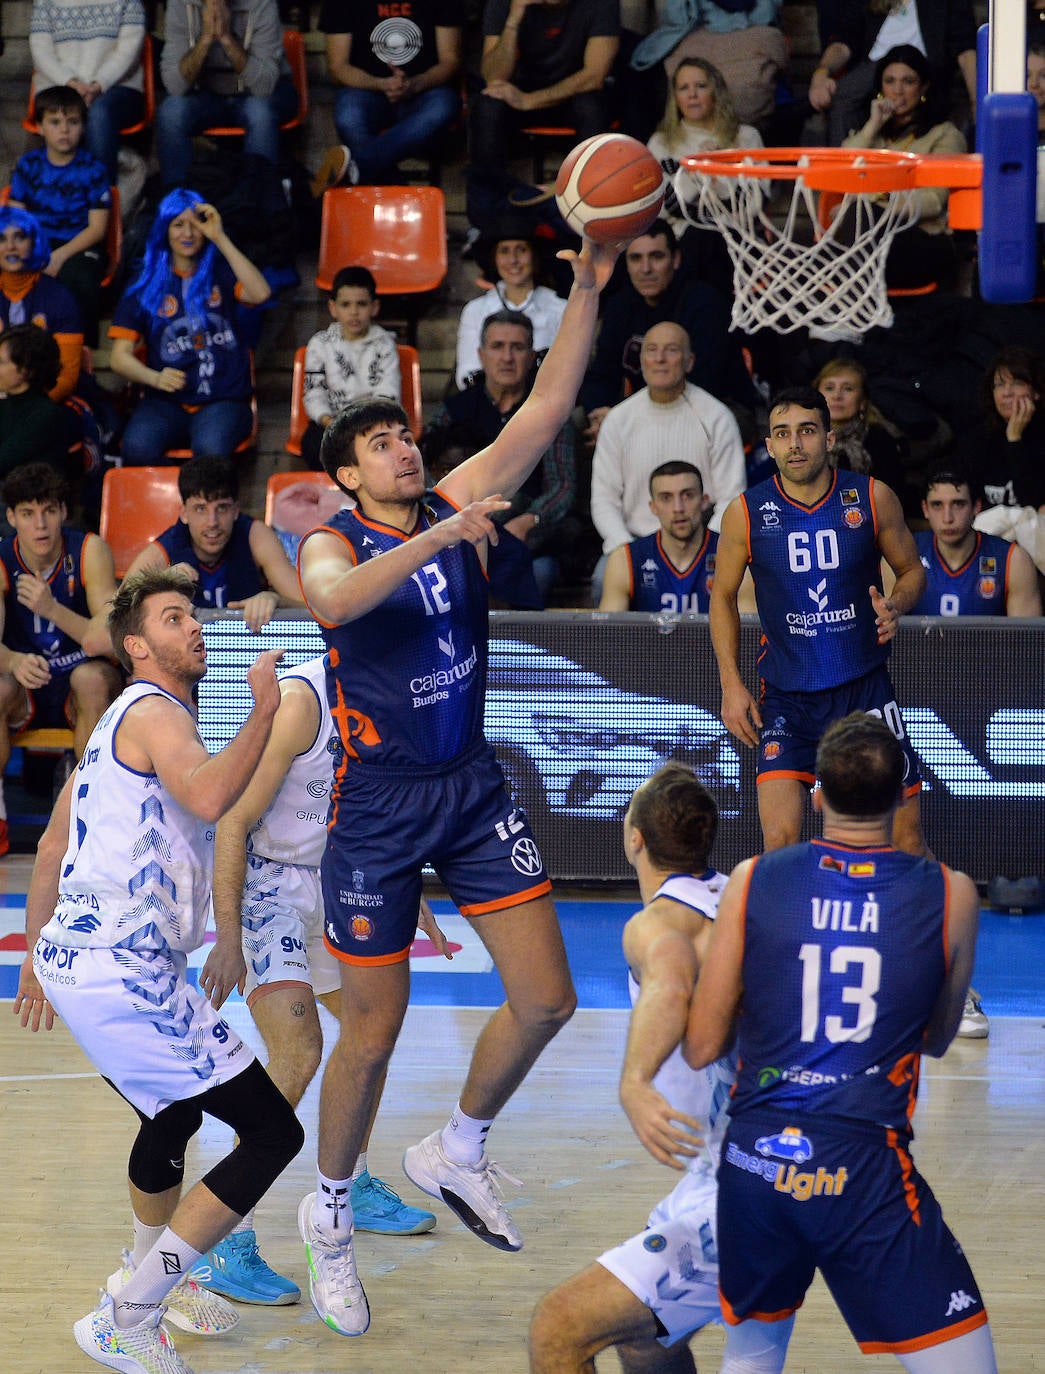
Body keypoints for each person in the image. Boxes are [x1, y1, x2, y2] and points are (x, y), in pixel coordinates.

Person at [295, 235, 620, 1337]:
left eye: (401, 434)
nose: (402, 447)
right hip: (378, 810)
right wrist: (439, 536)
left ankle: (457, 1148)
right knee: (373, 1036)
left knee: (548, 1000)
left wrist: (590, 284)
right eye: (380, 442)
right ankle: (329, 1213)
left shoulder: (450, 494)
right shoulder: (328, 539)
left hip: (471, 789)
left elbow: (547, 409)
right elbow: (336, 607)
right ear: (347, 473)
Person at [14, 566, 304, 1374]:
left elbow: (48, 850)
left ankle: (149, 1281)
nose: (195, 627)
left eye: (194, 615)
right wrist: (265, 707)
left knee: (171, 1118)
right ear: (137, 645)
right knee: (272, 1131)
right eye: (175, 618)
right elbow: (211, 798)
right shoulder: (151, 710)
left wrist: (39, 958)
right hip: (122, 970)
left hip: (91, 963)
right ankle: (128, 1312)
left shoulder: (111, 725)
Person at [682, 712, 998, 1374]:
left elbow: (702, 1041)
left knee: (751, 1355)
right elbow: (937, 1039)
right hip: (860, 1166)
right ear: (903, 794)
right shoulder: (951, 894)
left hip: (754, 1162)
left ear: (815, 794)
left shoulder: (751, 879)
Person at [190, 655, 447, 1306]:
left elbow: (381, 812)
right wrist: (226, 935)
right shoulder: (304, 702)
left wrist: (408, 890)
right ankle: (226, 1233)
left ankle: (351, 1180)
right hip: (266, 883)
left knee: (373, 1026)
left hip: (339, 882)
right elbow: (231, 819)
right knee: (299, 1053)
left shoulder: (400, 696)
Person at [530, 763, 772, 1374]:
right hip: (742, 1162)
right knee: (647, 1338)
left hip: (749, 1182)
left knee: (559, 1329)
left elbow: (667, 973)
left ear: (633, 837)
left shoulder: (660, 924)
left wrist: (634, 1083)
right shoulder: (745, 900)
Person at [709, 385, 928, 855]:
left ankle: (933, 925)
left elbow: (912, 571)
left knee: (905, 838)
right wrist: (731, 684)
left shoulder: (872, 497)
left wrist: (897, 604)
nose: (795, 444)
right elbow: (722, 597)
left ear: (828, 438)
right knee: (781, 840)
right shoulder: (744, 513)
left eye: (806, 431)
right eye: (782, 434)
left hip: (864, 688)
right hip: (786, 699)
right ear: (768, 446)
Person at [0, 463, 121, 857]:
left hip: (78, 684)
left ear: (63, 512)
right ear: (11, 517)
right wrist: (13, 659)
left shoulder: (88, 550)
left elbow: (104, 639)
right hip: (27, 688)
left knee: (92, 678)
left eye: (49, 511)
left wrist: (51, 608)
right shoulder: (2, 559)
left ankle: (92, 813)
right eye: (29, 513)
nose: (41, 524)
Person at [425, 310, 578, 606]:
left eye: (517, 348)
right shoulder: (454, 409)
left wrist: (528, 520)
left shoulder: (550, 416)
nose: (507, 357)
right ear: (482, 355)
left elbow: (562, 488)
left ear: (532, 355)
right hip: (457, 530)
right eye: (497, 347)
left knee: (541, 570)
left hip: (525, 535)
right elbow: (430, 477)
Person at [109, 189, 269, 464]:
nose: (188, 233)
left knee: (209, 451)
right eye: (178, 224)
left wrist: (220, 238)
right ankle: (168, 505)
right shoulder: (144, 284)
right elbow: (118, 357)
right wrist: (155, 378)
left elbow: (261, 293)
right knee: (136, 447)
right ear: (164, 229)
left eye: (196, 224)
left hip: (223, 398)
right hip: (166, 401)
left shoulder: (222, 270)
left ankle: (203, 503)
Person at [590, 321, 746, 596]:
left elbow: (732, 499)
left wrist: (705, 546)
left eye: (671, 350)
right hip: (636, 542)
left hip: (701, 542)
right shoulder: (618, 420)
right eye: (651, 350)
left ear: (689, 362)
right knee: (606, 577)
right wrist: (625, 551)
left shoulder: (717, 417)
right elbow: (603, 499)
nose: (660, 359)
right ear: (641, 360)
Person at [578, 220, 751, 443]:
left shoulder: (705, 304)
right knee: (572, 422)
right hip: (645, 408)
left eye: (656, 257)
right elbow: (602, 373)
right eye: (636, 258)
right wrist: (601, 414)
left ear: (675, 259)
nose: (646, 268)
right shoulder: (620, 307)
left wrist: (626, 421)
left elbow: (704, 386)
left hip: (719, 409)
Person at [100, 456, 303, 640]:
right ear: (184, 513)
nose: (212, 522)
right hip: (186, 660)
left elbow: (313, 607)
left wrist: (275, 599)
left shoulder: (255, 536)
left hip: (245, 650)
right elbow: (115, 620)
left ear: (235, 510)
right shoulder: (166, 547)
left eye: (221, 508)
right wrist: (159, 587)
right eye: (200, 509)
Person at [466, 0, 620, 236]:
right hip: (518, 92)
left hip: (572, 93)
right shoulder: (504, 3)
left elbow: (595, 75)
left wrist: (530, 100)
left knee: (592, 106)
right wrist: (513, 20)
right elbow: (494, 76)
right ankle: (486, 222)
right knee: (487, 106)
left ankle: (586, 215)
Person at [840, 46, 966, 290]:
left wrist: (876, 204)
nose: (898, 90)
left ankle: (849, 308)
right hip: (868, 237)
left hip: (923, 238)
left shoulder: (944, 135)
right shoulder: (872, 135)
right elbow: (842, 170)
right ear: (880, 88)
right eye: (890, 81)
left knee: (860, 214)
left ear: (923, 87)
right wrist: (871, 126)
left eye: (908, 81)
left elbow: (934, 200)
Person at [314, 0, 463, 189]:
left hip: (425, 90)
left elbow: (450, 61)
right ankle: (395, 188)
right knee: (348, 116)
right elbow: (338, 67)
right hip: (366, 91)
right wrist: (380, 84)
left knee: (444, 106)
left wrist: (415, 84)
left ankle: (357, 168)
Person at [156, 0, 298, 192]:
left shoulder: (262, 3)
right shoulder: (181, 4)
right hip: (207, 94)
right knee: (171, 112)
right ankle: (179, 208)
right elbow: (175, 86)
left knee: (259, 112)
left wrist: (226, 38)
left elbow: (263, 86)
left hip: (262, 93)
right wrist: (206, 39)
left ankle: (257, 205)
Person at [8, 85, 112, 346]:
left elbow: (97, 230)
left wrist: (60, 256)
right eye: (55, 122)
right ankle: (16, 346)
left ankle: (83, 349)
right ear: (40, 127)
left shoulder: (93, 169)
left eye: (73, 122)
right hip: (35, 243)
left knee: (81, 278)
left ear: (84, 127)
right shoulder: (28, 165)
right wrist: (35, 251)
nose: (64, 130)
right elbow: (16, 219)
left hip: (79, 246)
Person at [647, 56, 762, 282]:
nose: (692, 95)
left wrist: (717, 177)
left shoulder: (746, 137)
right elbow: (661, 208)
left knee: (708, 237)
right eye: (683, 88)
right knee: (697, 237)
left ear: (716, 91)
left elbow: (754, 203)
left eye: (701, 86)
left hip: (734, 239)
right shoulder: (660, 143)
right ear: (675, 98)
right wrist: (700, 174)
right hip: (679, 242)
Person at [810, 0, 977, 148]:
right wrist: (821, 73)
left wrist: (976, 101)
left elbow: (965, 50)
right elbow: (844, 42)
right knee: (841, 94)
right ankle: (843, 169)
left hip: (923, 66)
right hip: (876, 67)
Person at [28, 0, 147, 181]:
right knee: (57, 111)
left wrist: (98, 84)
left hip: (117, 87)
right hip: (59, 85)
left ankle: (99, 200)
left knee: (100, 113)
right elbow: (41, 50)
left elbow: (127, 52)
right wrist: (71, 83)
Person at [301, 265, 401, 472]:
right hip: (332, 422)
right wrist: (329, 421)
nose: (354, 312)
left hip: (373, 422)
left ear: (374, 307)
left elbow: (388, 393)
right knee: (312, 445)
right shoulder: (320, 344)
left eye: (361, 304)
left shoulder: (384, 343)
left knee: (383, 447)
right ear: (333, 308)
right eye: (346, 304)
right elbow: (314, 392)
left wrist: (365, 426)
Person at [909, 470, 1042, 618]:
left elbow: (1024, 639)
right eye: (937, 505)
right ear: (925, 509)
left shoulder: (1014, 560)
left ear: (976, 507)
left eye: (958, 504)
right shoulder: (904, 554)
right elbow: (887, 634)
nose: (947, 518)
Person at [455, 220, 567, 390]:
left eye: (521, 250)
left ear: (534, 256)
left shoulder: (561, 309)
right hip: (488, 406)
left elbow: (567, 373)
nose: (513, 260)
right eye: (504, 251)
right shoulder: (475, 310)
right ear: (495, 259)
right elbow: (467, 373)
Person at [598, 460, 718, 614]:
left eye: (688, 495)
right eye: (666, 498)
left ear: (704, 501)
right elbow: (609, 635)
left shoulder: (733, 556)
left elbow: (748, 633)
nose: (678, 508)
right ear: (653, 507)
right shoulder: (625, 559)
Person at [813, 356, 918, 518]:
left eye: (847, 389)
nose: (837, 396)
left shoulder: (880, 440)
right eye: (829, 388)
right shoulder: (802, 438)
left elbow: (891, 500)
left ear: (862, 402)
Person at [0, 204, 83, 402]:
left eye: (20, 237)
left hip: (46, 402)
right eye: (1, 239)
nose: (10, 247)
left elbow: (67, 378)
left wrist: (21, 408)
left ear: (34, 243)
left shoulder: (60, 298)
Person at [957, 346, 1045, 514]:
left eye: (1017, 383)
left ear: (1036, 392)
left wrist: (1014, 440)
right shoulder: (977, 439)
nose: (1006, 393)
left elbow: (1030, 502)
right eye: (999, 384)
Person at [0, 324, 77, 481]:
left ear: (26, 370)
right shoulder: (5, 404)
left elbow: (3, 461)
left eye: (1, 362)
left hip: (28, 501)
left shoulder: (45, 415)